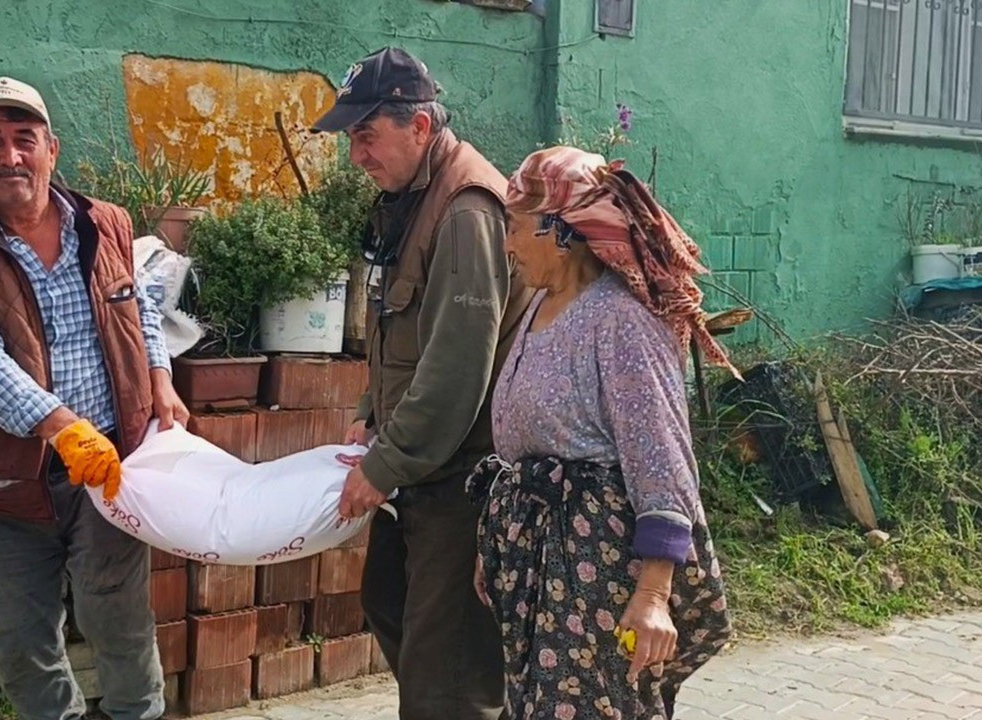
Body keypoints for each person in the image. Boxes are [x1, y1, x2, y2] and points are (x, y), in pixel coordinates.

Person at [0, 76, 189, 720]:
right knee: (25, 641)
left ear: (51, 149)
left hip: (111, 465)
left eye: (24, 140)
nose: (10, 157)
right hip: (7, 478)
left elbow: (138, 311)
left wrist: (161, 377)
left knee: (119, 621)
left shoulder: (105, 223)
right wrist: (60, 426)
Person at [469, 145, 733, 720]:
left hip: (597, 567)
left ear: (561, 229)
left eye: (514, 228)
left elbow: (662, 459)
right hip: (541, 555)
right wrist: (499, 538)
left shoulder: (621, 320)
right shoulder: (544, 301)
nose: (507, 245)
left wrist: (653, 595)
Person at [310, 47, 534, 719]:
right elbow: (400, 329)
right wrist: (370, 412)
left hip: (464, 477)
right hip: (425, 467)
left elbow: (457, 369)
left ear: (420, 127)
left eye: (367, 135)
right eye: (353, 138)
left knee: (448, 673)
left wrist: (386, 461)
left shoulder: (466, 211)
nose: (358, 156)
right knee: (387, 600)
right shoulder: (414, 197)